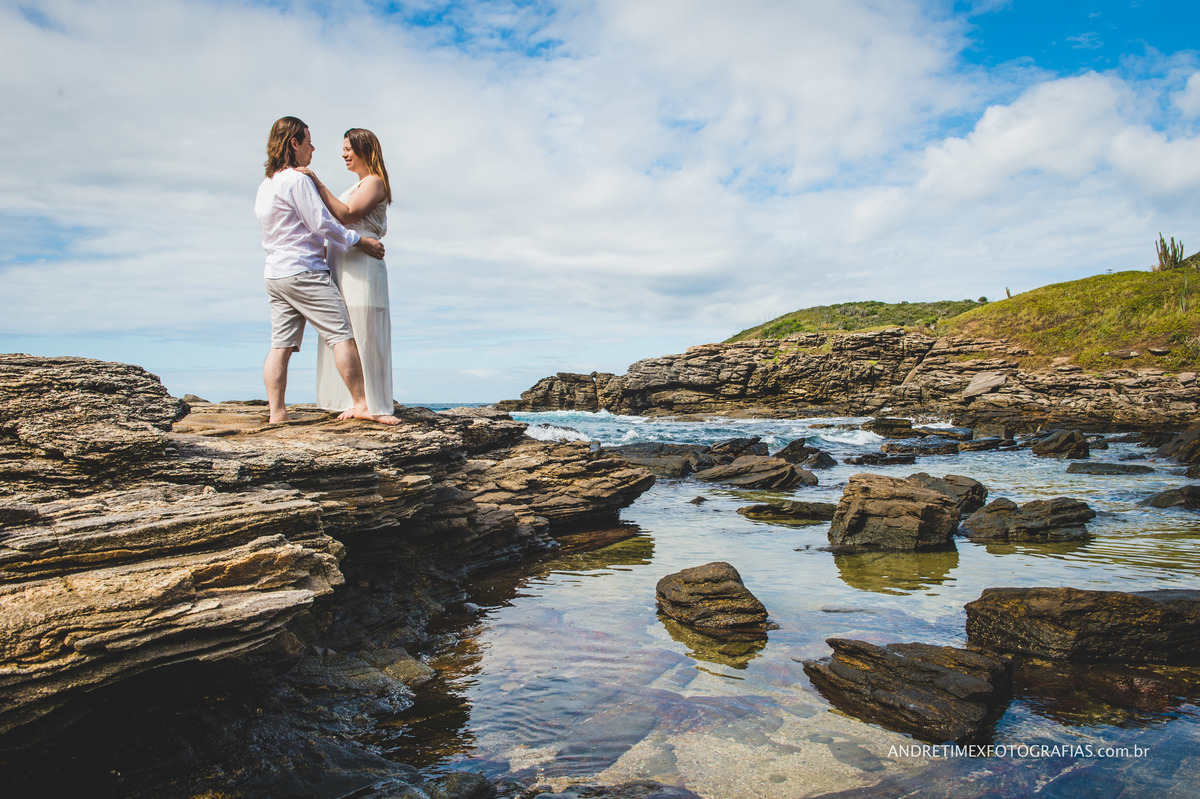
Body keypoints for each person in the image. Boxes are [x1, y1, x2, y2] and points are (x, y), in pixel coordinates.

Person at [254, 116, 399, 425]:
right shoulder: (297, 179)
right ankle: (361, 404)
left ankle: (276, 414)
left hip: (275, 273)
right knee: (343, 336)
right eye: (308, 142)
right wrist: (359, 241)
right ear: (295, 144)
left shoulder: (266, 184)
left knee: (280, 345)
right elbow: (322, 223)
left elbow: (301, 227)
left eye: (348, 148)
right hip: (304, 272)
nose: (314, 148)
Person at [297, 128, 395, 417]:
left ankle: (373, 402)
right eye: (343, 149)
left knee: (364, 329)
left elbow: (347, 214)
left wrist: (315, 180)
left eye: (348, 149)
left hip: (363, 268)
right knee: (345, 329)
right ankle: (350, 400)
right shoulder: (356, 185)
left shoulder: (375, 182)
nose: (343, 154)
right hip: (344, 263)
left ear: (364, 149)